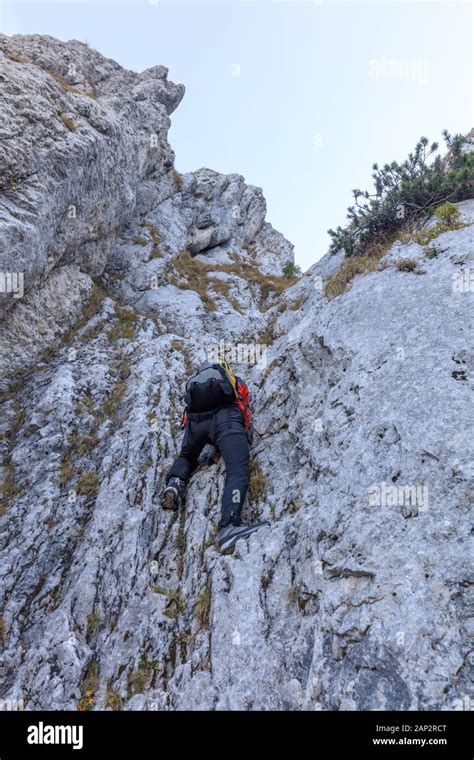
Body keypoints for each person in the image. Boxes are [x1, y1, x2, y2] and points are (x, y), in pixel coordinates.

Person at [161, 359, 268, 553]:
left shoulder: (197, 387)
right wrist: (240, 436)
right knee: (237, 470)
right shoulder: (233, 380)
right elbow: (242, 404)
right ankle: (229, 525)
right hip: (226, 418)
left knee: (187, 456)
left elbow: (186, 419)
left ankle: (175, 482)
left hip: (195, 424)